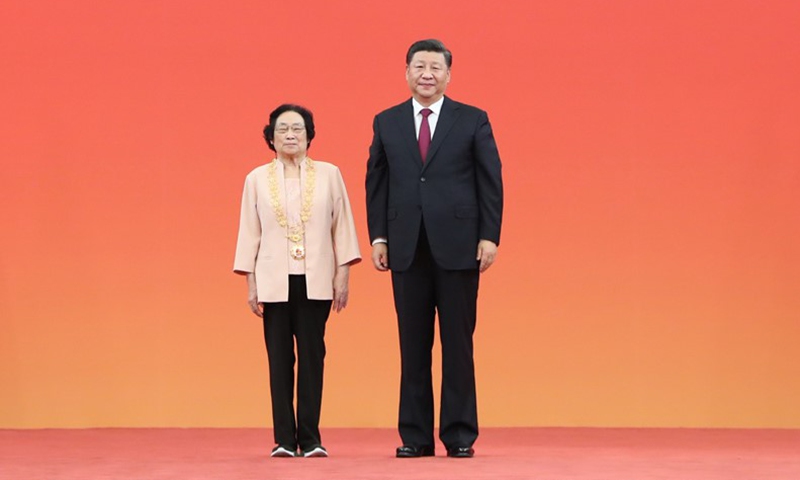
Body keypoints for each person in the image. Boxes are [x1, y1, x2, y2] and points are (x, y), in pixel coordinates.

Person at [365, 39, 503, 458]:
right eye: (419, 66)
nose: (427, 74)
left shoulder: (472, 119)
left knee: (458, 344)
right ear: (406, 72)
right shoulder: (386, 121)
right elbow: (377, 182)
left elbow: (490, 180)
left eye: (435, 67)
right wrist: (379, 237)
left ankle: (460, 435)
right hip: (406, 247)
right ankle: (415, 437)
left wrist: (489, 236)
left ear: (448, 75)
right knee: (413, 344)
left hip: (460, 246)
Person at [234, 104, 361, 458]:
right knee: (278, 359)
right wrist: (250, 281)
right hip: (274, 278)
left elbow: (343, 226)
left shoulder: (330, 174)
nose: (291, 135)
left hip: (316, 278)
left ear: (309, 136)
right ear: (271, 137)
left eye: (298, 129)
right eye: (283, 129)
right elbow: (250, 232)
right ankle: (283, 440)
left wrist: (343, 273)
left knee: (312, 356)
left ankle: (311, 437)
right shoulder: (256, 178)